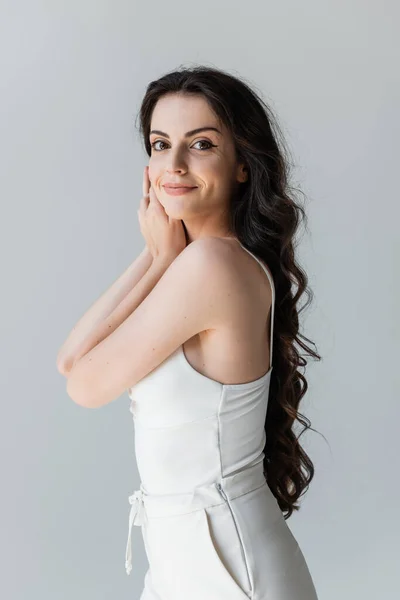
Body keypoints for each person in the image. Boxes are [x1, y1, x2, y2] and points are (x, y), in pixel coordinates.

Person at [58, 66, 321, 599]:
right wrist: (158, 257)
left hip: (224, 566)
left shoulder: (211, 266)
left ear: (243, 165)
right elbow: (71, 361)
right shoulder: (200, 262)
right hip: (188, 557)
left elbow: (83, 385)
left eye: (200, 144)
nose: (173, 165)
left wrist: (162, 259)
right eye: (159, 144)